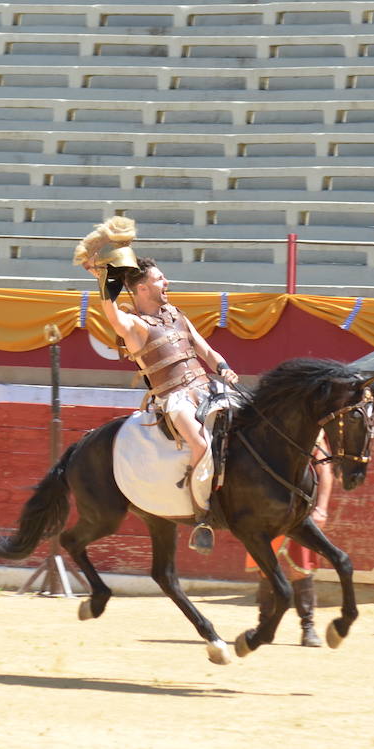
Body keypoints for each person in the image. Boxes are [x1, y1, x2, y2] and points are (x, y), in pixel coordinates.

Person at [76, 219, 240, 554]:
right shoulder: (135, 326)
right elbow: (112, 316)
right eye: (159, 279)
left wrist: (222, 366)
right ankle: (203, 516)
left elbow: (205, 348)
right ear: (142, 290)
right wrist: (106, 280)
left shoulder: (175, 314)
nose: (167, 282)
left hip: (207, 386)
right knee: (200, 445)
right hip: (174, 399)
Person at [251, 432, 335, 647]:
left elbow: (324, 469)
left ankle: (307, 627)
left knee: (302, 569)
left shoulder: (312, 432)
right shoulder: (267, 429)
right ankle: (264, 625)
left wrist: (322, 509)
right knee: (266, 568)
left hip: (299, 511)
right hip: (268, 509)